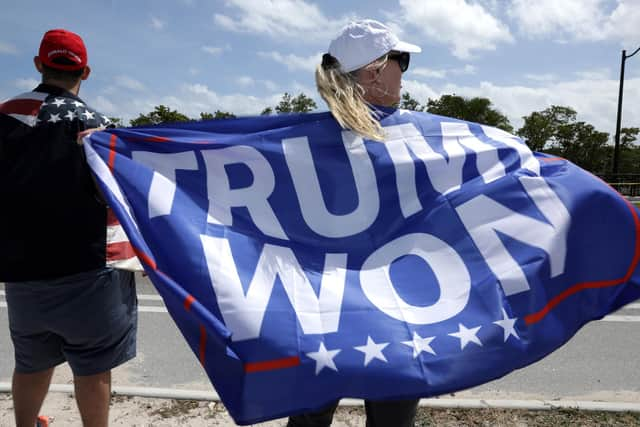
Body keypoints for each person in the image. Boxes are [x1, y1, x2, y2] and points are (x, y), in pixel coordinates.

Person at [287, 19, 422, 427]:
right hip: (392, 309)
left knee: (309, 420)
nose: (407, 70)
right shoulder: (415, 137)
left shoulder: (296, 140)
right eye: (403, 60)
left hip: (319, 311)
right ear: (374, 70)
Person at [0, 29, 137, 427]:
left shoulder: (4, 116)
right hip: (88, 272)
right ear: (86, 72)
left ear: (39, 65)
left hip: (22, 275)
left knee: (31, 361)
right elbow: (116, 197)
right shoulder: (99, 127)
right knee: (93, 370)